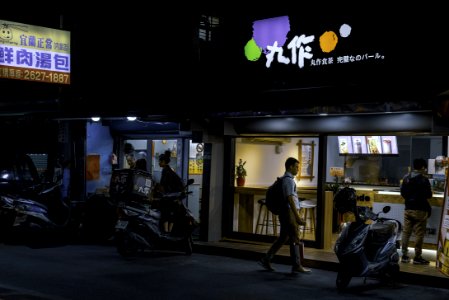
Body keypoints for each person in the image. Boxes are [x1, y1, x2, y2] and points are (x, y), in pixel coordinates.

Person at [258, 157, 311, 274]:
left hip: (285, 212)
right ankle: (296, 265)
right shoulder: (288, 180)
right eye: (296, 167)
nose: (298, 169)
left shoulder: (285, 179)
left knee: (283, 238)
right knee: (295, 237)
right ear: (290, 167)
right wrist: (297, 217)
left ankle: (266, 259)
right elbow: (290, 199)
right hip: (288, 213)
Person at [400, 158, 432, 265]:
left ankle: (404, 256)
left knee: (406, 232)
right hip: (420, 210)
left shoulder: (406, 177)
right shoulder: (424, 179)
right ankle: (417, 257)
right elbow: (429, 195)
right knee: (419, 234)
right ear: (423, 167)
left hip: (408, 208)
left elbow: (403, 193)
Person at [157, 150, 184, 234]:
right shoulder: (171, 171)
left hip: (169, 197)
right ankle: (170, 231)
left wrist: (157, 190)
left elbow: (162, 185)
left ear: (164, 162)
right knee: (172, 215)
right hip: (174, 197)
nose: (159, 163)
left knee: (165, 213)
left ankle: (166, 231)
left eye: (160, 161)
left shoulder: (165, 171)